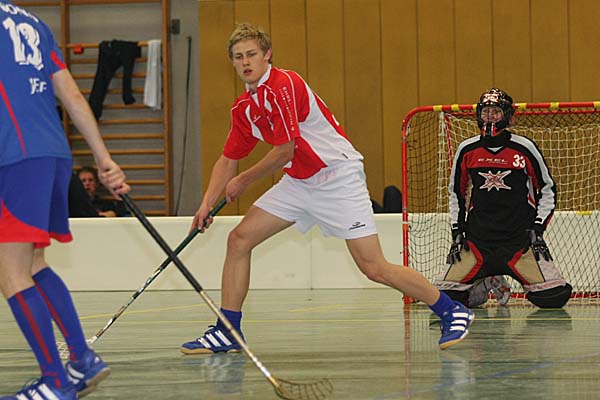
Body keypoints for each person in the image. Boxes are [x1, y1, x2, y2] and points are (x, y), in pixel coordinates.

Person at [180, 23, 474, 356]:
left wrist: (245, 180)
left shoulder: (284, 84)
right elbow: (227, 159)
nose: (245, 62)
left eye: (251, 54)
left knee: (373, 267)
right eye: (238, 57)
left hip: (337, 178)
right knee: (239, 240)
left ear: (267, 55)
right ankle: (228, 330)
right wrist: (206, 204)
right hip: (299, 183)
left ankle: (452, 310)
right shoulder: (244, 108)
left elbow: (285, 150)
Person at [0, 2, 130, 399]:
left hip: (16, 156)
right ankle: (82, 359)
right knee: (33, 263)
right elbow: (72, 95)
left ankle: (55, 383)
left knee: (11, 274)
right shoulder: (33, 22)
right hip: (54, 154)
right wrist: (104, 159)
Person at [434, 88, 572, 309]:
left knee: (554, 297)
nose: (490, 117)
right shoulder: (467, 149)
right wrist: (457, 231)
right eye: (485, 112)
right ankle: (486, 282)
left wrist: (537, 229)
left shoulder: (524, 147)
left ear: (508, 117)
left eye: (496, 112)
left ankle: (501, 276)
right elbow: (456, 193)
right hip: (477, 242)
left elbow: (548, 188)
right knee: (441, 299)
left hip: (519, 242)